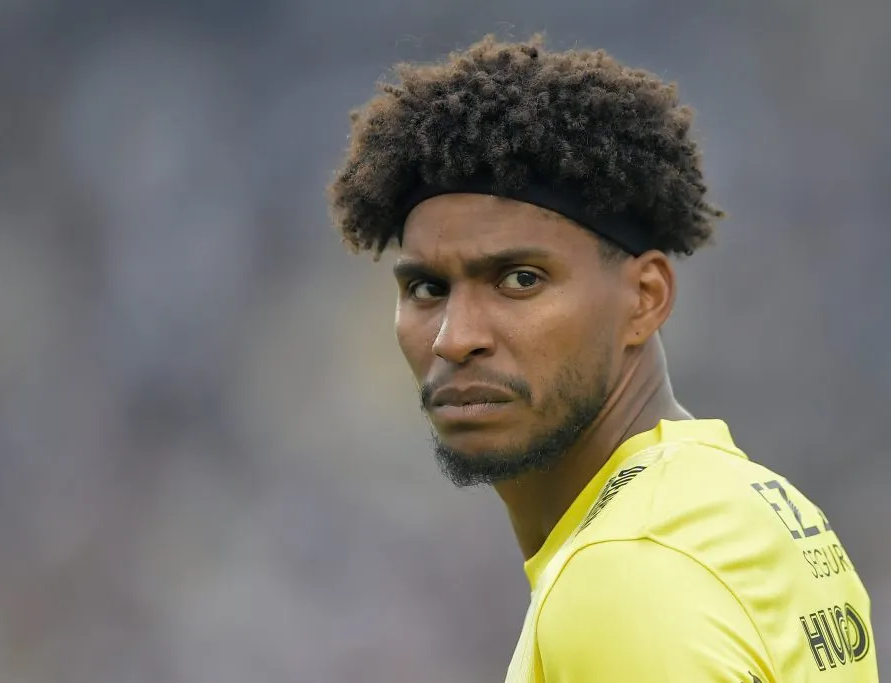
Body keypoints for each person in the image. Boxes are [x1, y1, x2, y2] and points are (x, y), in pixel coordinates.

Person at [326, 35, 878, 682]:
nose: (454, 337)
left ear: (645, 299)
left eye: (520, 279)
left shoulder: (624, 569)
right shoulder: (757, 508)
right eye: (427, 288)